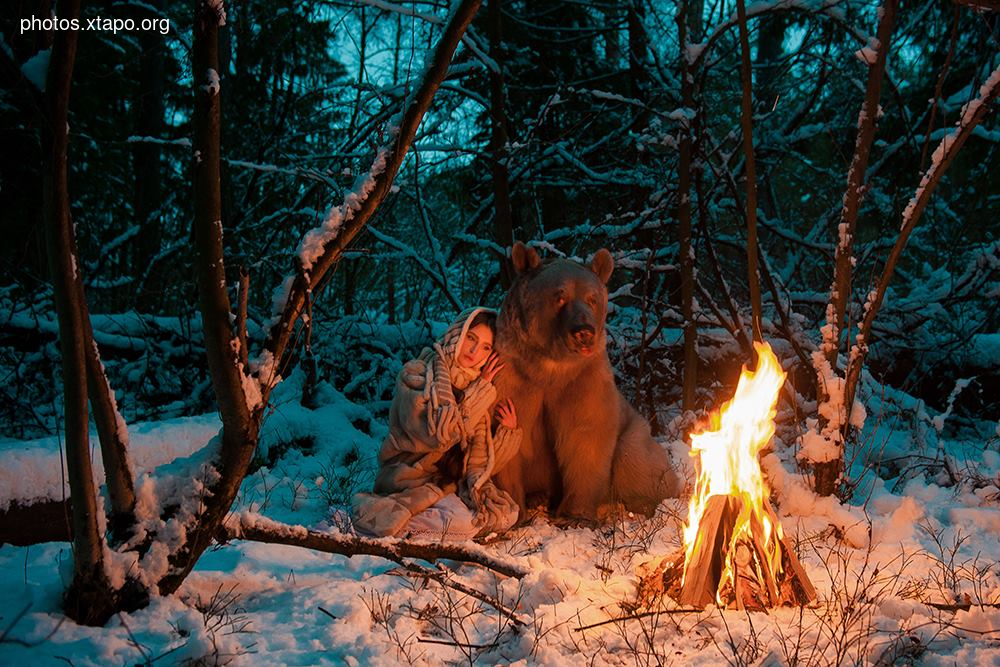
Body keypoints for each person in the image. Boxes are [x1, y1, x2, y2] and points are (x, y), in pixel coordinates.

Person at [351, 307, 522, 540]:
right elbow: (440, 436)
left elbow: (479, 466)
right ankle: (374, 519)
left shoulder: (474, 387)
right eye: (470, 338)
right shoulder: (418, 373)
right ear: (456, 334)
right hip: (409, 478)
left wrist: (507, 433)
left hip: (447, 485)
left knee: (504, 515)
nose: (474, 351)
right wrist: (480, 391)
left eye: (486, 347)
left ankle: (418, 524)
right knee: (464, 523)